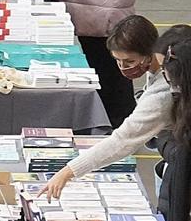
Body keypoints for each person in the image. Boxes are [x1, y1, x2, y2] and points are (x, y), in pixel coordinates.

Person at [47, 19, 181, 201]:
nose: (124, 68)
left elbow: (124, 139)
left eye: (130, 61)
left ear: (150, 51)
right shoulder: (161, 63)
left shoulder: (164, 90)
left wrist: (67, 172)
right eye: (118, 61)